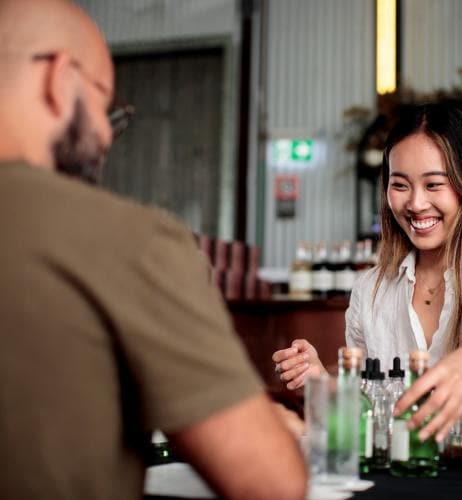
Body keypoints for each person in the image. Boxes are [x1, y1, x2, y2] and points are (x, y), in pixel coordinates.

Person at [0, 1, 306, 499]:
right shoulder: (128, 240)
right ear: (59, 78)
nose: (105, 137)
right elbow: (271, 482)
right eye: (105, 111)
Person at [274, 102, 462, 442]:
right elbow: (368, 407)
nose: (416, 203)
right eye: (401, 185)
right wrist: (319, 380)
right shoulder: (371, 289)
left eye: (434, 184)